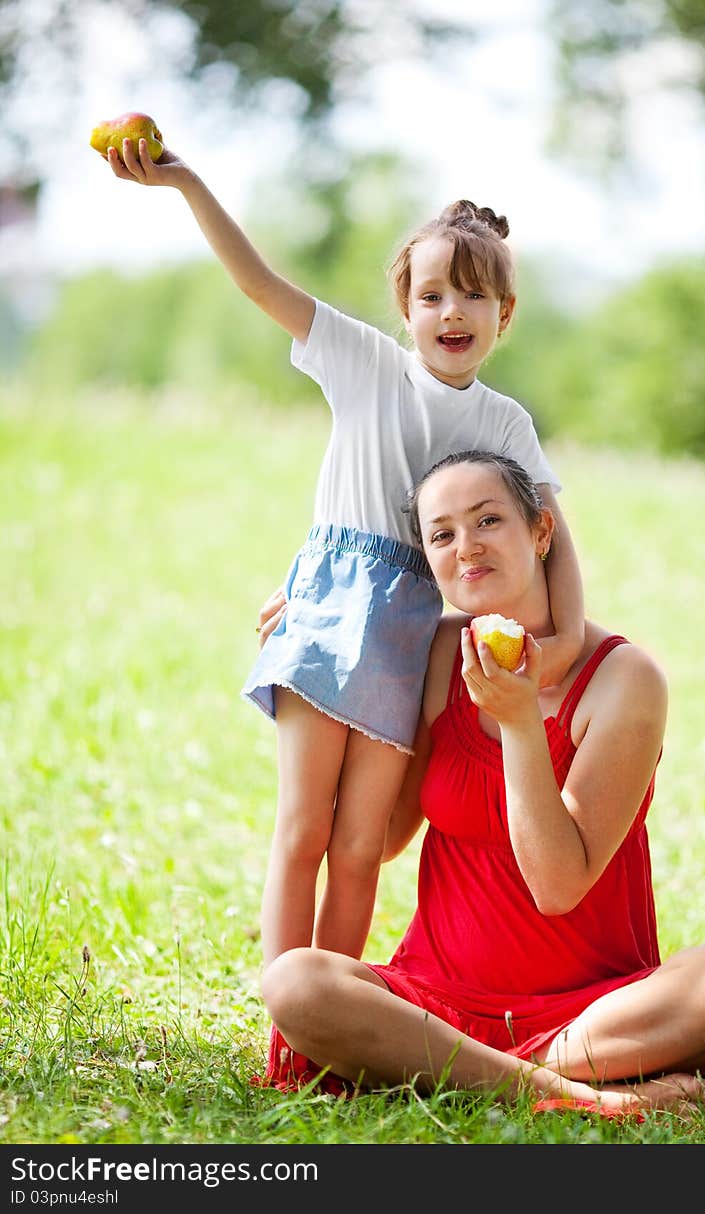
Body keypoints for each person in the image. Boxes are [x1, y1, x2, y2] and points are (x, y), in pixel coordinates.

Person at [102, 138, 585, 969]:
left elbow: (552, 534)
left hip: (412, 640)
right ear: (405, 309)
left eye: (474, 296)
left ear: (505, 315)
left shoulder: (505, 423)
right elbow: (259, 283)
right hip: (325, 612)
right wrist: (187, 184)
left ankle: (333, 1020)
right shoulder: (365, 363)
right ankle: (287, 1026)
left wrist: (566, 637)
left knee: (361, 847)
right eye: (431, 294)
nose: (451, 313)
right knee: (303, 831)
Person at [253, 450, 705, 1119]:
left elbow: (558, 885)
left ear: (540, 532)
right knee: (298, 983)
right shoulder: (437, 653)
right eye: (442, 534)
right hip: (436, 999)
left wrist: (521, 723)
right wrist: (309, 647)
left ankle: (458, 1070)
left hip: (592, 1013)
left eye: (488, 521)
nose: (466, 547)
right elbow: (382, 838)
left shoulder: (625, 680)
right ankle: (588, 1097)